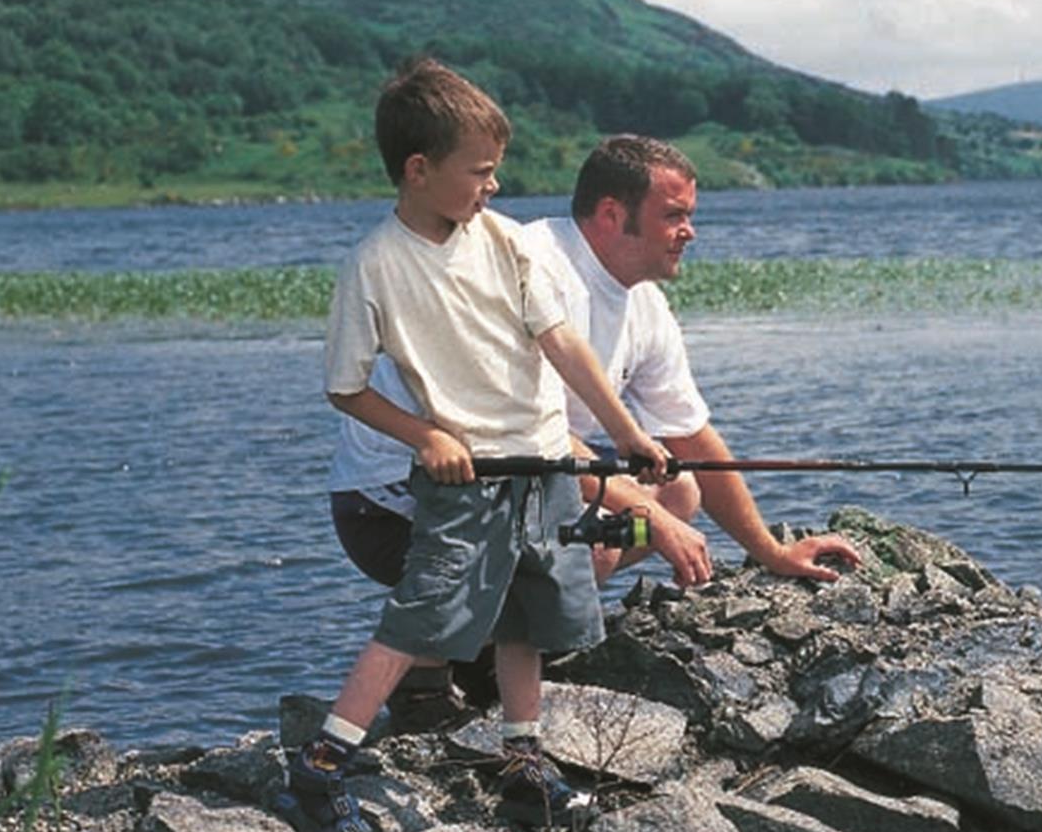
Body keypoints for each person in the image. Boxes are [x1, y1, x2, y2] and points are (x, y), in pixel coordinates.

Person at [329, 136, 862, 728]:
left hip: (509, 473)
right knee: (609, 528)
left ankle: (490, 652)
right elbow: (530, 434)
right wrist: (655, 523)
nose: (690, 231)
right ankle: (425, 682)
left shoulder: (645, 305)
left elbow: (691, 439)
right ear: (612, 214)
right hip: (389, 500)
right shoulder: (535, 263)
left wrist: (772, 552)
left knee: (679, 491)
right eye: (675, 215)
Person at [285, 58, 670, 832]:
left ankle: (522, 763)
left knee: (531, 614)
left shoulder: (504, 243)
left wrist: (623, 432)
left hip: (542, 469)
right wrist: (426, 436)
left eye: (497, 171)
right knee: (422, 619)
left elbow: (560, 342)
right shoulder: (375, 265)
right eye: (480, 172)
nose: (493, 188)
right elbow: (345, 388)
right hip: (466, 482)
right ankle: (321, 769)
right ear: (420, 171)